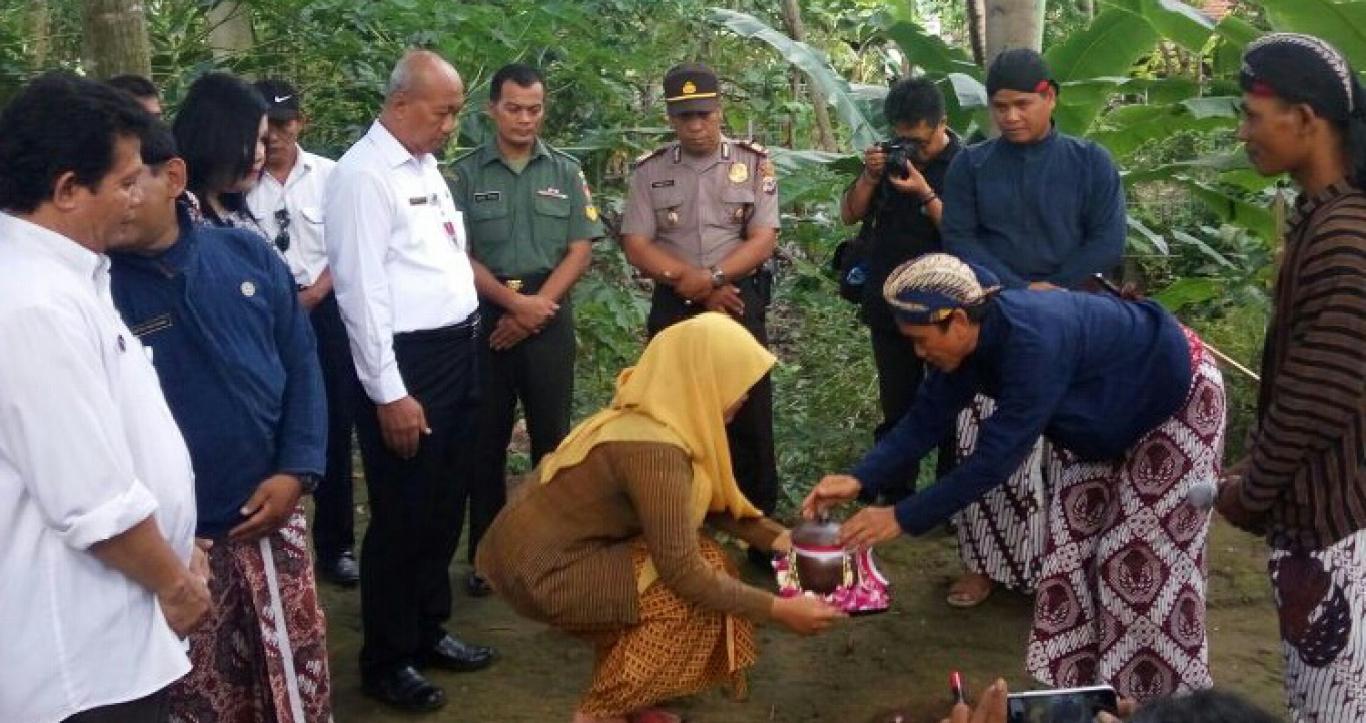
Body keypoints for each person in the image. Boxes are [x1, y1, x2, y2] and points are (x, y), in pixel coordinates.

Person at [804, 253, 1227, 703]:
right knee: (1070, 557)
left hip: (1174, 397)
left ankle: (1163, 703)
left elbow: (995, 459)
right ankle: (1087, 697)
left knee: (1136, 561)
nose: (918, 351)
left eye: (921, 339)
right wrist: (859, 478)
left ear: (960, 321)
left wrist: (903, 516)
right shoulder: (965, 348)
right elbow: (926, 418)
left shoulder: (1032, 342)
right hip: (1099, 417)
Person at [476, 313, 842, 723]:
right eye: (737, 384)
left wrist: (782, 542)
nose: (743, 398)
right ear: (704, 380)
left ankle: (630, 700)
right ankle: (600, 713)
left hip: (544, 554)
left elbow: (708, 507)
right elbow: (682, 571)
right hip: (541, 572)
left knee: (708, 562)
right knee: (683, 598)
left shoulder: (657, 413)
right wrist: (779, 610)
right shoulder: (656, 453)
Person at [0, 72, 207, 723]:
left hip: (119, 632)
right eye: (122, 181)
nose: (136, 196)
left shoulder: (71, 275)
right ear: (66, 189)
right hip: (80, 664)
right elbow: (92, 501)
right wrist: (175, 583)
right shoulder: (30, 304)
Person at [108, 120, 332, 722]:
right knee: (202, 696)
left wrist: (297, 468)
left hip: (272, 519)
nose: (116, 200)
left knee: (292, 683)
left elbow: (302, 362)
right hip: (182, 547)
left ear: (173, 175)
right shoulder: (97, 291)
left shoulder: (244, 251)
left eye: (129, 182)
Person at [324, 49, 494, 712]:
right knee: (402, 511)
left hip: (458, 351)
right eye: (443, 109)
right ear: (400, 103)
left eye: (454, 111)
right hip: (406, 364)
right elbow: (362, 296)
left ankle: (428, 627)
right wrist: (389, 391)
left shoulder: (422, 166)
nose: (451, 123)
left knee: (445, 500)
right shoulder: (364, 177)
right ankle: (386, 657)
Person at [937, 48, 1128, 608]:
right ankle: (985, 565)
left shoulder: (1090, 162)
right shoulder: (971, 165)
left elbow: (1107, 242)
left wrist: (1056, 289)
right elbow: (961, 241)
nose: (1010, 116)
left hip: (1078, 321)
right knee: (987, 438)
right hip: (996, 318)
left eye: (1022, 104)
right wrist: (1021, 292)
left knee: (1072, 449)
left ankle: (1065, 572)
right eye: (1000, 107)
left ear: (1050, 97)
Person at [1216, 33, 1366, 723]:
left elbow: (1317, 397)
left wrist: (1252, 488)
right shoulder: (1323, 220)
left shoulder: (1344, 235)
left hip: (1342, 532)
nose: (1244, 131)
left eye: (1253, 114)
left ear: (1306, 119)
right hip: (1322, 524)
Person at [452, 63, 603, 597]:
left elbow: (580, 248)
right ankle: (486, 556)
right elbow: (458, 254)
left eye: (533, 109)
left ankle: (548, 552)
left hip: (550, 310)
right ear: (492, 108)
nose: (524, 118)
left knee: (552, 441)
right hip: (488, 310)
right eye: (513, 107)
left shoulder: (564, 172)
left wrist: (538, 306)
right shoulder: (465, 174)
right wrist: (513, 304)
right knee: (483, 441)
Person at [620, 63, 781, 549]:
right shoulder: (651, 171)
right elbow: (636, 242)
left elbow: (763, 237)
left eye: (704, 114)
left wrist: (712, 279)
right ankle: (678, 524)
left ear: (719, 111)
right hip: (676, 301)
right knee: (668, 410)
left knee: (749, 412)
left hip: (736, 297)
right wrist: (691, 284)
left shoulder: (753, 163)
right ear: (671, 117)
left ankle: (758, 526)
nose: (696, 125)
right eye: (685, 116)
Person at [245, 78, 361, 588]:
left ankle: (335, 546)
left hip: (326, 308)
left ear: (301, 123)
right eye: (265, 127)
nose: (274, 137)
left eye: (284, 124)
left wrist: (316, 293)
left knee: (332, 423)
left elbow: (350, 244)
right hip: (263, 316)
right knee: (266, 421)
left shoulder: (332, 176)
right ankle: (265, 537)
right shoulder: (239, 183)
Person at [839, 76, 962, 504]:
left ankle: (948, 499)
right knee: (898, 403)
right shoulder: (888, 161)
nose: (911, 149)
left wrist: (926, 193)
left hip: (948, 309)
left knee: (953, 403)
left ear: (942, 123)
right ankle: (894, 492)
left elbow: (963, 234)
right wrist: (871, 177)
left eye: (920, 141)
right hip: (889, 302)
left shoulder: (966, 165)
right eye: (902, 138)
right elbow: (849, 215)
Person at [172, 72, 270, 231]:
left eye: (263, 140)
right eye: (248, 141)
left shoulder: (235, 210)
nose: (259, 154)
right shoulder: (181, 221)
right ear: (210, 138)